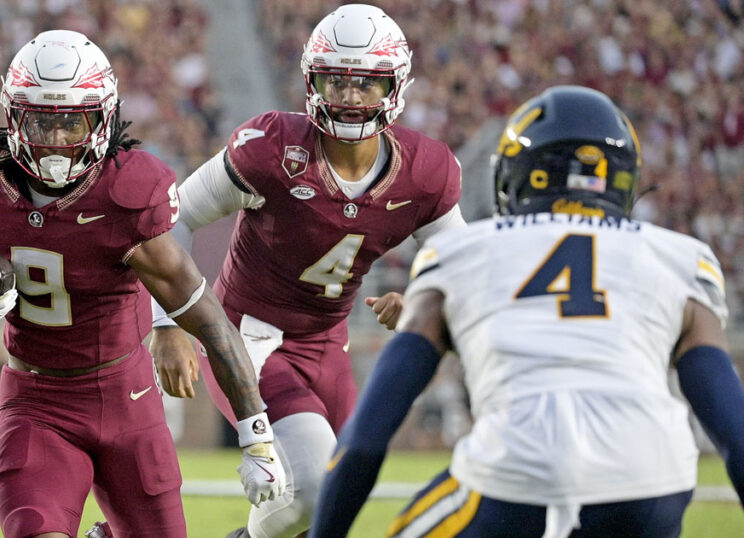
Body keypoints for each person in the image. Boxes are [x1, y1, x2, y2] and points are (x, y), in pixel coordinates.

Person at [309, 85, 744, 537]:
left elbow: (364, 441)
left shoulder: (459, 253)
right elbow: (735, 433)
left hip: (513, 480)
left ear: (517, 175)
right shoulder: (681, 258)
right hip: (652, 486)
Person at [0, 30, 285, 538]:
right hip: (35, 398)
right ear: (14, 116)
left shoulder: (127, 195)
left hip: (126, 396)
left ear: (103, 119)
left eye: (73, 123)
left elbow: (208, 319)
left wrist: (256, 435)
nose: (58, 141)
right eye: (42, 120)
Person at [149, 5, 464, 538]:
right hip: (247, 337)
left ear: (395, 86)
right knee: (312, 490)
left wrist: (420, 294)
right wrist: (168, 323)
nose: (349, 97)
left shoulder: (426, 171)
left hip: (327, 344)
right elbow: (173, 218)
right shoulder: (273, 148)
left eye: (365, 84)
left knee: (337, 502)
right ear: (311, 80)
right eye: (335, 81)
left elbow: (461, 263)